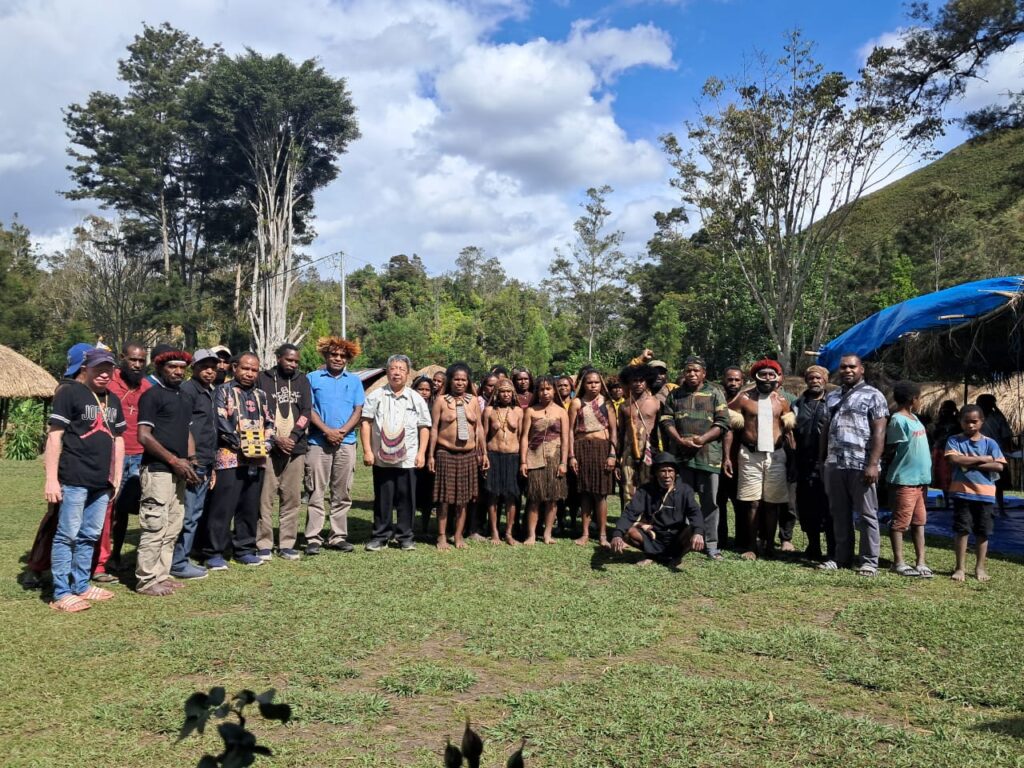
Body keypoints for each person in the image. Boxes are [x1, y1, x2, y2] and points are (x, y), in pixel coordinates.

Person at [44, 348, 126, 612]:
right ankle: (60, 592)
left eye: (108, 369)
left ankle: (81, 585)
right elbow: (55, 436)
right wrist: (51, 480)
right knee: (67, 534)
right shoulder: (69, 392)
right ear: (85, 368)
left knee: (90, 535)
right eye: (98, 368)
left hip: (101, 482)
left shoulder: (113, 399)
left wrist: (117, 476)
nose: (104, 374)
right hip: (74, 478)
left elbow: (120, 439)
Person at [201, 352, 274, 569]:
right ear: (235, 368)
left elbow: (269, 422)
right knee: (223, 506)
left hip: (257, 458)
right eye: (245, 368)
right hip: (229, 457)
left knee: (249, 505)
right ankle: (214, 551)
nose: (249, 373)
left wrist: (266, 444)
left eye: (254, 370)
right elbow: (220, 422)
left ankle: (244, 548)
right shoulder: (222, 391)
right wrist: (242, 444)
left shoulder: (261, 395)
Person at [135, 347, 198, 596]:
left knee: (173, 525)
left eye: (182, 368)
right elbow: (143, 435)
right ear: (160, 368)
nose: (178, 371)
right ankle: (146, 580)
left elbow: (187, 431)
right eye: (172, 367)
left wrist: (191, 459)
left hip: (180, 470)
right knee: (154, 524)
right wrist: (174, 460)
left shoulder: (184, 396)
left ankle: (162, 574)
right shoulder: (152, 396)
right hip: (159, 469)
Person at [819, 354, 888, 576]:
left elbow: (879, 432)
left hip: (861, 464)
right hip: (835, 463)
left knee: (867, 514)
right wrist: (822, 461)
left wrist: (873, 463)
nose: (847, 370)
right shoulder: (832, 396)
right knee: (839, 513)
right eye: (843, 367)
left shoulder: (874, 396)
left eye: (852, 367)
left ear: (862, 369)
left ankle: (869, 561)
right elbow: (825, 430)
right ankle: (842, 558)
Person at [659, 354, 730, 560]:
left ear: (703, 374)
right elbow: (666, 420)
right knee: (682, 501)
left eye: (695, 371)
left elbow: (723, 422)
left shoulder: (715, 393)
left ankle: (711, 546)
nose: (691, 374)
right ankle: (682, 543)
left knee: (710, 503)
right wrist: (680, 440)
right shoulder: (675, 394)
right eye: (688, 370)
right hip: (681, 459)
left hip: (709, 457)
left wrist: (702, 439)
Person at [361, 354, 432, 551]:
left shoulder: (416, 398)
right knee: (383, 498)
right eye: (393, 368)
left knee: (406, 499)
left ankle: (405, 536)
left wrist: (421, 453)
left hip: (408, 458)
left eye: (401, 369)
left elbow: (424, 427)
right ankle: (380, 535)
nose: (397, 372)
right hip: (381, 458)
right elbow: (365, 423)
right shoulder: (375, 396)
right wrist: (367, 450)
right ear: (387, 372)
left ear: (408, 374)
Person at [725, 359, 794, 560]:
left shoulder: (782, 402)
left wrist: (793, 459)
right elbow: (729, 429)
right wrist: (727, 457)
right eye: (762, 374)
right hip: (750, 455)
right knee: (752, 502)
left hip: (776, 456)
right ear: (755, 376)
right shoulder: (743, 399)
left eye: (771, 375)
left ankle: (769, 545)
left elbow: (789, 433)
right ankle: (751, 546)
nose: (766, 378)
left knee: (772, 503)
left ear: (777, 378)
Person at [305, 336, 364, 554]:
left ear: (348, 358)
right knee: (315, 490)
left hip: (346, 442)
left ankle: (338, 536)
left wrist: (341, 432)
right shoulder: (312, 378)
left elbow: (358, 410)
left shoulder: (355, 381)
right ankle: (313, 538)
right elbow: (308, 409)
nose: (338, 358)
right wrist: (326, 431)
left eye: (342, 355)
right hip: (318, 442)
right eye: (334, 354)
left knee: (342, 491)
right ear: (326, 355)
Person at [100, 341, 151, 579]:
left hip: (140, 456)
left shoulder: (148, 387)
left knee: (126, 511)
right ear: (123, 358)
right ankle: (101, 559)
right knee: (106, 509)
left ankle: (117, 555)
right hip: (113, 455)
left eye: (142, 360)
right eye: (133, 359)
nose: (138, 364)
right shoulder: (109, 384)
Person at [257, 343, 312, 561]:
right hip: (269, 448)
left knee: (291, 499)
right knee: (265, 498)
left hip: (295, 448)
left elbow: (307, 411)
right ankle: (263, 543)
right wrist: (275, 438)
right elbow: (259, 410)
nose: (293, 364)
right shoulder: (263, 378)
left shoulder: (302, 380)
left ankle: (287, 543)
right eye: (289, 360)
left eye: (296, 361)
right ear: (279, 358)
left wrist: (293, 437)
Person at [171, 349, 219, 580]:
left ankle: (182, 556)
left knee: (195, 512)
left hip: (207, 459)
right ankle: (178, 562)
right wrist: (192, 460)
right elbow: (184, 427)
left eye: (213, 366)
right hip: (194, 461)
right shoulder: (188, 391)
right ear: (194, 368)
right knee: (188, 513)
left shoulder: (208, 391)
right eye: (204, 366)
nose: (209, 371)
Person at [609, 452, 705, 567]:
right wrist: (617, 534)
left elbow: (695, 512)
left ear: (675, 473)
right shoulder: (645, 490)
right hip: (654, 536)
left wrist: (698, 532)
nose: (667, 475)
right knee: (628, 532)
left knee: (693, 530)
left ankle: (676, 558)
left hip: (676, 537)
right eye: (663, 471)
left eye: (670, 471)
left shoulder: (685, 490)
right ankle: (652, 556)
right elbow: (630, 513)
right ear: (655, 473)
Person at [428, 363, 487, 550]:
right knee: (444, 499)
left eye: (463, 379)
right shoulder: (441, 401)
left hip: (469, 454)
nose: (460, 383)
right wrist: (431, 455)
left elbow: (479, 429)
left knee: (464, 499)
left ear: (468, 381)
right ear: (450, 381)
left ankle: (458, 536)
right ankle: (441, 536)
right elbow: (434, 430)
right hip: (445, 453)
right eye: (456, 379)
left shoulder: (473, 401)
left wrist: (483, 453)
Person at [946, 404, 1006, 582]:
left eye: (974, 422)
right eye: (966, 422)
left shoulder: (990, 443)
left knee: (983, 532)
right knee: (962, 530)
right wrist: (983, 458)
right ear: (960, 422)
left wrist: (967, 462)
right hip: (962, 493)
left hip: (985, 495)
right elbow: (954, 459)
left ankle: (980, 567)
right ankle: (960, 568)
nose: (970, 426)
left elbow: (999, 465)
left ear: (982, 422)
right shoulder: (954, 440)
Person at [885, 381, 934, 578]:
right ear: (913, 400)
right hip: (905, 479)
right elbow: (892, 448)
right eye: (919, 398)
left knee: (919, 522)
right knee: (900, 522)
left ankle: (920, 561)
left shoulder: (915, 419)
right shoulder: (898, 420)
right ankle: (899, 562)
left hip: (920, 481)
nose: (920, 401)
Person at [568, 369, 617, 548]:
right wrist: (571, 456)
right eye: (589, 382)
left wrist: (612, 454)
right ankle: (585, 533)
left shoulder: (608, 403)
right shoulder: (576, 403)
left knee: (600, 494)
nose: (593, 386)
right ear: (584, 384)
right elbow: (570, 432)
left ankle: (603, 534)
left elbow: (613, 431)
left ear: (601, 383)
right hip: (581, 449)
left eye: (596, 382)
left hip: (602, 449)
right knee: (585, 492)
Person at [520, 375, 569, 544]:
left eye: (548, 389)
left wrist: (564, 462)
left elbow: (565, 439)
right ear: (537, 391)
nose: (545, 392)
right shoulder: (531, 411)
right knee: (534, 498)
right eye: (542, 389)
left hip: (554, 457)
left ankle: (548, 534)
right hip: (534, 457)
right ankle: (532, 534)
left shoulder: (562, 412)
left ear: (554, 390)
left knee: (553, 498)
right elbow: (525, 437)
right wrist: (523, 461)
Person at [792, 365, 832, 561]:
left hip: (827, 463)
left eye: (818, 378)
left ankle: (833, 550)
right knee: (807, 506)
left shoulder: (833, 403)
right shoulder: (798, 404)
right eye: (811, 378)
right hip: (803, 463)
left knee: (829, 507)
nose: (815, 381)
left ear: (825, 380)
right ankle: (813, 546)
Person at [483, 378, 523, 545]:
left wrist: (523, 460)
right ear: (497, 393)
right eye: (502, 391)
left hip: (512, 456)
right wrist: (484, 455)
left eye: (508, 391)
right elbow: (483, 436)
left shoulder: (519, 412)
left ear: (513, 393)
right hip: (494, 455)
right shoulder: (489, 411)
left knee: (511, 496)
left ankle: (508, 532)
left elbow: (522, 437)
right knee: (492, 495)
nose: (506, 394)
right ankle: (494, 532)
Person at [616, 365, 661, 510]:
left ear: (647, 381)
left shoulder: (656, 403)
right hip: (628, 451)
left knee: (648, 485)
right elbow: (621, 433)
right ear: (629, 383)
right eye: (634, 380)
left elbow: (662, 431)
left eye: (641, 380)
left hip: (649, 450)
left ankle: (648, 521)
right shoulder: (624, 406)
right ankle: (629, 523)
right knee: (628, 487)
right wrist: (617, 457)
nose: (638, 383)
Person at [715, 365, 745, 547]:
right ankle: (720, 538)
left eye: (736, 380)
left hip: (740, 460)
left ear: (742, 382)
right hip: (716, 458)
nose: (733, 383)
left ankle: (742, 539)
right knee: (718, 501)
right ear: (723, 380)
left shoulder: (747, 401)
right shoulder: (716, 400)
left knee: (740, 501)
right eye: (730, 379)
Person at [976, 394, 1013, 515]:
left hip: (993, 454)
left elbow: (1006, 436)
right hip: (981, 452)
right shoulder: (978, 417)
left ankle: (999, 508)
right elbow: (1006, 435)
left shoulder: (996, 417)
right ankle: (990, 508)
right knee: (984, 482)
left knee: (996, 482)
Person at [411, 375, 437, 535]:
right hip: (411, 452)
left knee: (428, 492)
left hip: (429, 454)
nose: (424, 392)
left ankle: (425, 526)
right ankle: (409, 526)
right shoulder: (408, 406)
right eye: (421, 389)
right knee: (411, 492)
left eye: (427, 389)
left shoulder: (435, 407)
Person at [929, 400, 960, 508]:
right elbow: (934, 436)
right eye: (944, 409)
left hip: (952, 452)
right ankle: (947, 500)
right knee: (943, 477)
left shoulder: (958, 422)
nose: (945, 412)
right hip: (940, 450)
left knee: (952, 476)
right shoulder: (938, 423)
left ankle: (953, 499)